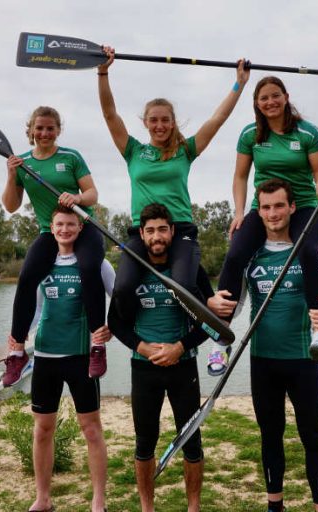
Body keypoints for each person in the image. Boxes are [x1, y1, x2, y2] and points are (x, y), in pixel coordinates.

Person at [208, 179, 318, 512]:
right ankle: (275, 506)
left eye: (278, 206)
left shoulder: (313, 249)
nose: (273, 214)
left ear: (291, 208)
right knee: (270, 437)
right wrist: (217, 311)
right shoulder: (250, 253)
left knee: (312, 438)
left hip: (303, 358)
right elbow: (238, 304)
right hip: (263, 361)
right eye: (266, 207)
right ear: (260, 211)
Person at [97, 45, 249, 328]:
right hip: (141, 233)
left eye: (165, 120)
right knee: (122, 288)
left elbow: (217, 119)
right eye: (153, 120)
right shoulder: (133, 151)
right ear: (145, 123)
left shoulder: (184, 150)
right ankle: (133, 334)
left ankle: (209, 329)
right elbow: (109, 115)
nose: (159, 125)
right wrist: (103, 72)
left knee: (183, 286)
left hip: (180, 229)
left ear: (172, 122)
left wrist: (239, 84)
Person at [207, 76, 318, 375]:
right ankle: (221, 339)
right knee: (236, 253)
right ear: (257, 103)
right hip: (263, 207)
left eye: (275, 96)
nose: (270, 102)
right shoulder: (250, 134)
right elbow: (240, 176)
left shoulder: (309, 133)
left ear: (286, 96)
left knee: (308, 252)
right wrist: (239, 212)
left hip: (303, 205)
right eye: (263, 98)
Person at [107, 203, 213, 512]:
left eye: (162, 230)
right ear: (142, 234)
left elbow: (210, 323)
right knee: (144, 443)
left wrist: (180, 346)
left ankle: (193, 507)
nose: (157, 236)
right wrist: (142, 347)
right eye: (150, 230)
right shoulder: (132, 272)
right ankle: (147, 508)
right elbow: (115, 322)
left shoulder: (191, 272)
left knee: (191, 442)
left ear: (172, 232)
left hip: (183, 367)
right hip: (144, 368)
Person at [1, 106, 107, 386]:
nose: (45, 133)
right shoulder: (22, 163)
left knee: (88, 268)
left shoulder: (71, 157)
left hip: (84, 228)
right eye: (40, 128)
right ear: (31, 130)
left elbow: (92, 194)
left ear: (58, 130)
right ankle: (16, 352)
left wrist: (77, 198)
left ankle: (98, 346)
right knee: (26, 278)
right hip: (50, 231)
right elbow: (11, 207)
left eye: (50, 128)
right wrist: (11, 175)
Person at [26, 206, 115, 512]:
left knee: (91, 429)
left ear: (80, 228)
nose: (65, 229)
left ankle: (98, 500)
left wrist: (111, 329)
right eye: (59, 224)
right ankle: (43, 498)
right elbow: (34, 309)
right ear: (52, 229)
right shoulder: (42, 263)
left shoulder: (95, 263)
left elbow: (118, 298)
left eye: (71, 224)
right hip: (46, 356)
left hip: (81, 357)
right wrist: (19, 340)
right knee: (42, 430)